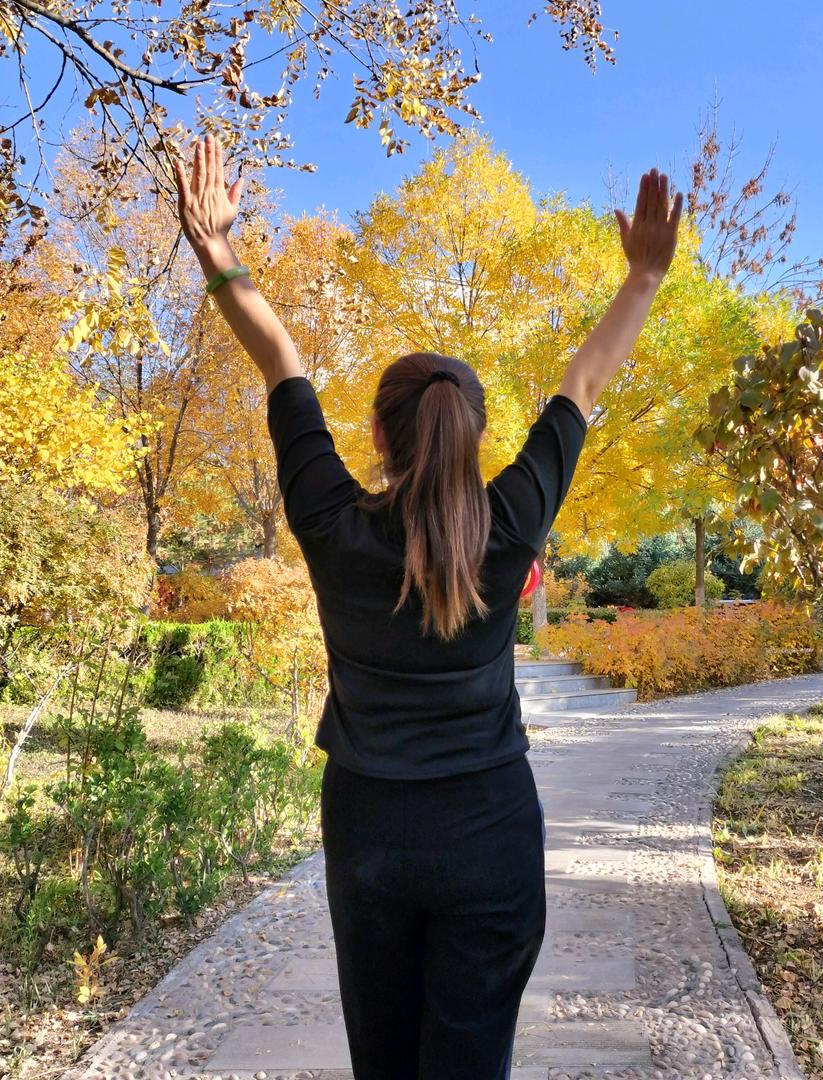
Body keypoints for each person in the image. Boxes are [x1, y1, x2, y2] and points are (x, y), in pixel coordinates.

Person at [172, 133, 682, 1080]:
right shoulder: (513, 519)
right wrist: (642, 279)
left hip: (368, 836)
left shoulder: (333, 522)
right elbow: (583, 383)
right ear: (476, 435)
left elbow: (279, 357)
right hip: (489, 831)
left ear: (378, 432)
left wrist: (219, 251)